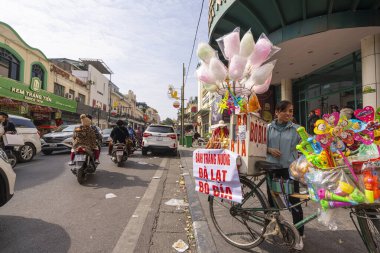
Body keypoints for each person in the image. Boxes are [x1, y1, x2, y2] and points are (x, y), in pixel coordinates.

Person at [266, 100, 304, 250]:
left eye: (291, 111)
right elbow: (259, 145)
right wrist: (269, 150)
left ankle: (299, 235)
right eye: (285, 111)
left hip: (289, 170)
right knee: (272, 200)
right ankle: (274, 226)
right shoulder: (267, 128)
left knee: (294, 202)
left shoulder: (297, 129)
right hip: (271, 168)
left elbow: (307, 145)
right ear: (277, 112)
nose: (289, 114)